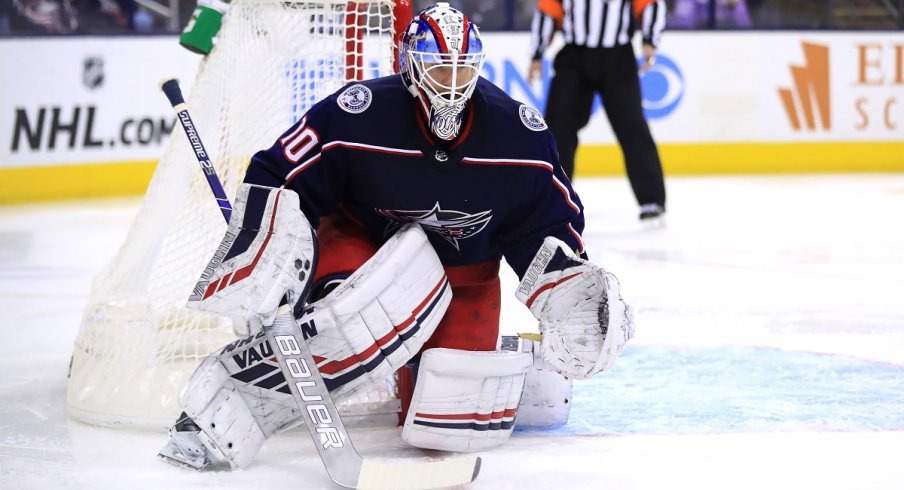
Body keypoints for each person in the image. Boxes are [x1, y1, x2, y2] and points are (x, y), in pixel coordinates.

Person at [158, 2, 634, 471]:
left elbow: (546, 226)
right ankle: (216, 415)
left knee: (448, 423)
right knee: (345, 324)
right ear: (411, 67)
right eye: (437, 70)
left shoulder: (519, 136)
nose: (451, 86)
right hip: (363, 250)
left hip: (466, 274)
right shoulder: (359, 114)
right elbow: (278, 175)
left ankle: (516, 367)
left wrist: (569, 288)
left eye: (462, 71)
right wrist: (265, 265)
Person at [528, 0, 668, 222]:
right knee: (558, 127)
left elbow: (650, 4)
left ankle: (651, 198)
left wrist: (650, 39)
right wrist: (536, 54)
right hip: (574, 56)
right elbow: (549, 9)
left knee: (632, 126)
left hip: (617, 57)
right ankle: (553, 196)